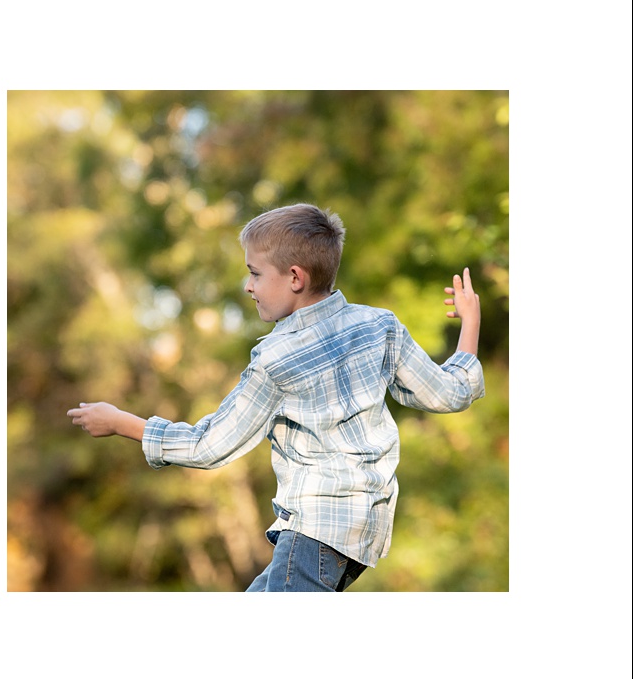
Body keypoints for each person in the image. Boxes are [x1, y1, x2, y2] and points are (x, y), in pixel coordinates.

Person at [66, 202, 485, 591]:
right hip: (360, 537)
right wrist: (470, 322)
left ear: (295, 278)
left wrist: (120, 421)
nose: (248, 286)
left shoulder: (275, 359)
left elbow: (208, 446)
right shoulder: (380, 326)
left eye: (254, 273)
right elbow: (452, 392)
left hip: (310, 535)